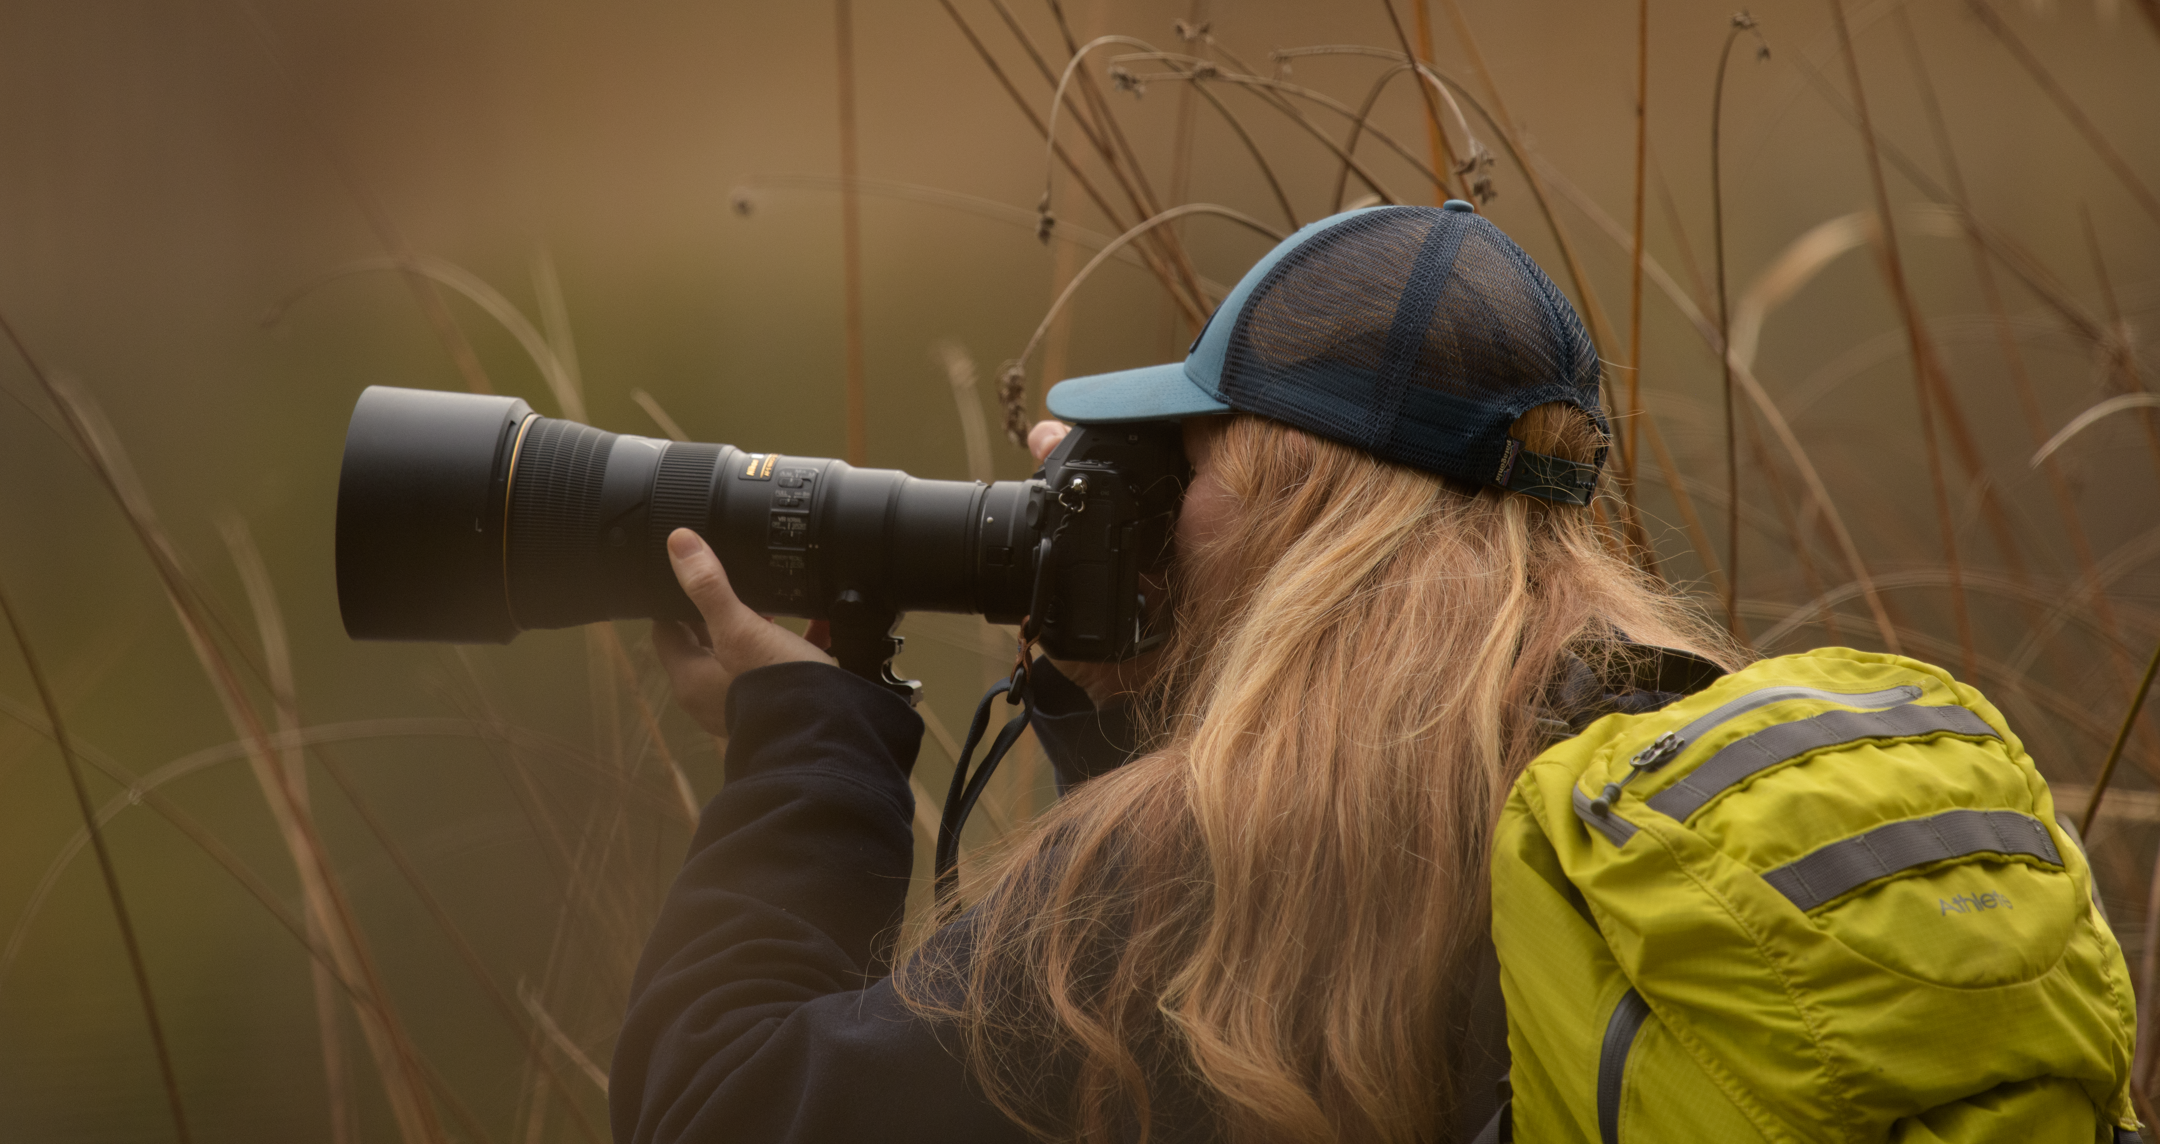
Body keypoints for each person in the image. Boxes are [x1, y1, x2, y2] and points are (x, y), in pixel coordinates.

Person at [609, 201, 1738, 1144]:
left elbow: (716, 1106)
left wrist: (808, 745)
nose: (1152, 501)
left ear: (1299, 495)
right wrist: (1133, 696)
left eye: (1187, 460)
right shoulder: (1676, 741)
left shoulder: (1200, 868)